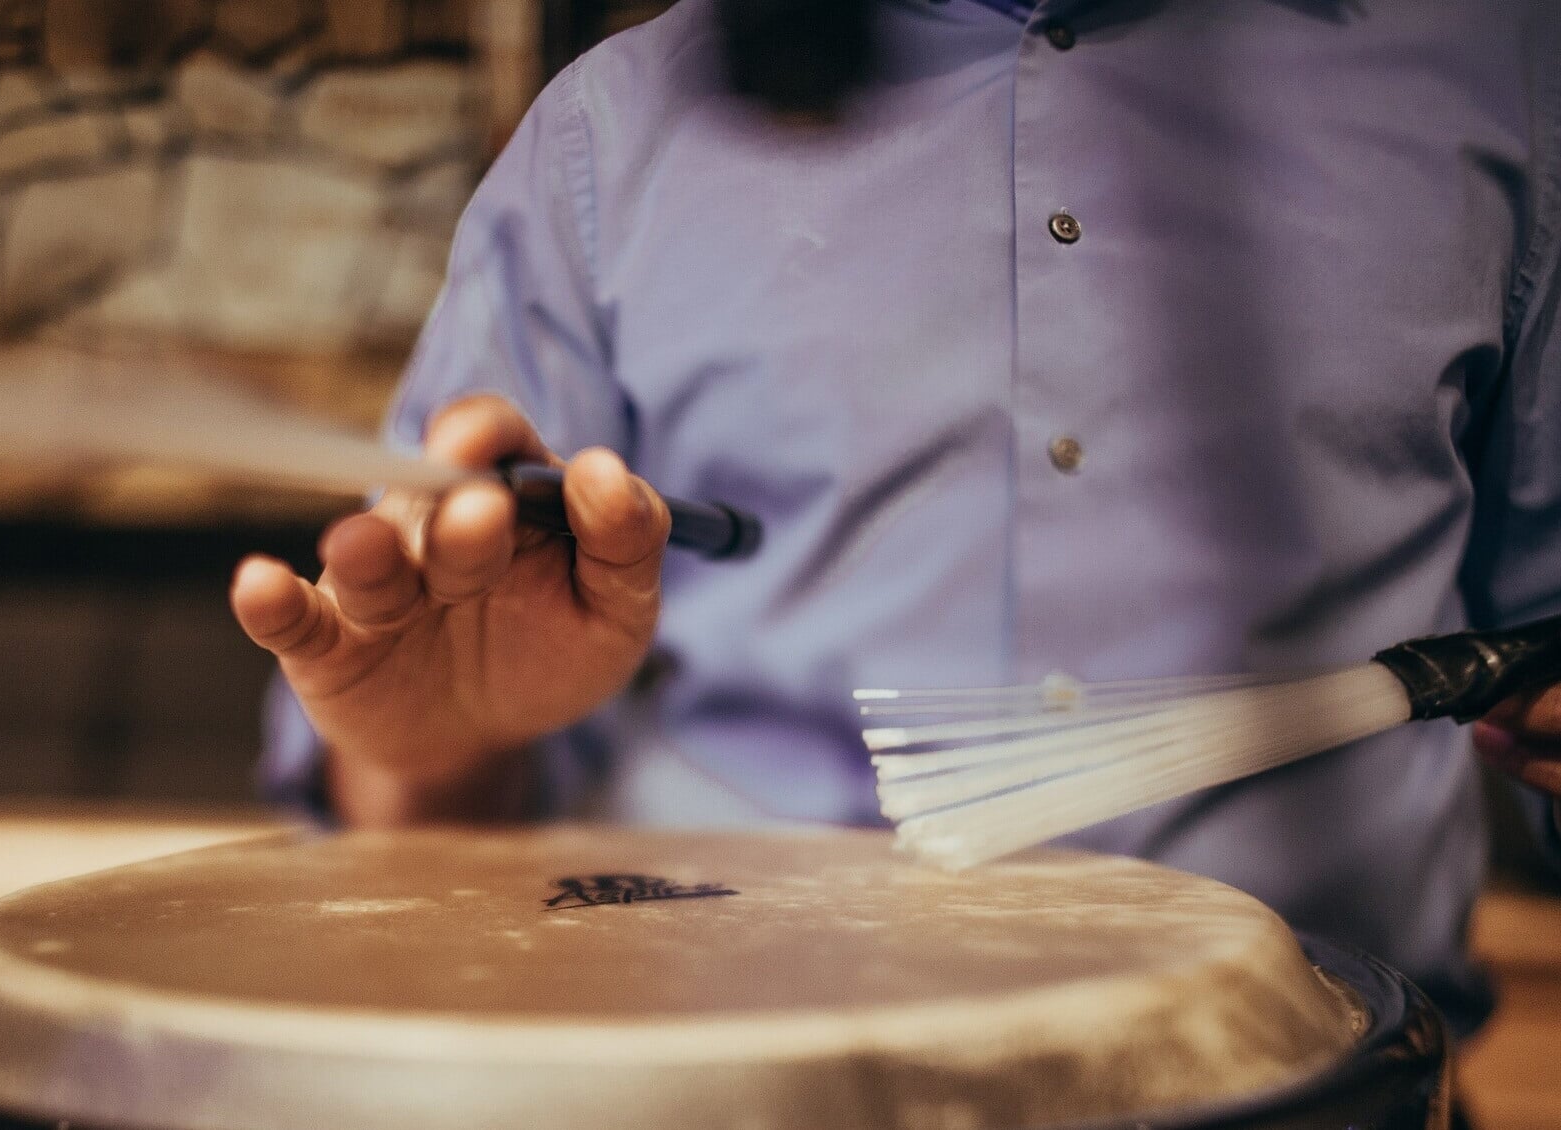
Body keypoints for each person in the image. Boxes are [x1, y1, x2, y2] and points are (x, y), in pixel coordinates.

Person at [231, 0, 1561, 1036]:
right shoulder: (609, 142)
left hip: (1337, 1087)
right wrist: (448, 745)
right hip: (717, 1080)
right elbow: (411, 831)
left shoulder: (1507, 86)